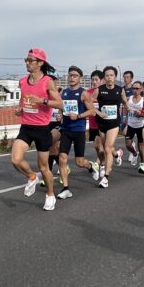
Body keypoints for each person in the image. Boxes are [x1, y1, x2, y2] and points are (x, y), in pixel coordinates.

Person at [12, 48, 64, 211]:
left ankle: (50, 195)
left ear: (40, 63)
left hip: (42, 129)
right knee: (15, 159)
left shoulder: (48, 81)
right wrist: (20, 109)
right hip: (26, 126)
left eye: (30, 60)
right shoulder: (22, 81)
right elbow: (24, 101)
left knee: (44, 167)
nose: (27, 63)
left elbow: (60, 103)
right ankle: (32, 176)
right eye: (26, 60)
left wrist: (42, 100)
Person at [56, 65, 99, 200]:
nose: (71, 77)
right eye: (70, 75)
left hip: (79, 130)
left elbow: (92, 111)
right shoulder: (63, 92)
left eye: (74, 75)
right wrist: (60, 115)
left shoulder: (84, 93)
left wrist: (79, 116)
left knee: (79, 162)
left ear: (80, 78)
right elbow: (61, 108)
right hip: (66, 130)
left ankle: (90, 166)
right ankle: (66, 189)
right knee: (62, 159)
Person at [93, 66, 129, 188]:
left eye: (111, 75)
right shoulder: (99, 90)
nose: (109, 77)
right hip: (102, 123)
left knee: (107, 148)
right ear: (104, 77)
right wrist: (98, 113)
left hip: (114, 124)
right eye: (107, 75)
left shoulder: (120, 90)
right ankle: (117, 154)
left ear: (115, 77)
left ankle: (106, 177)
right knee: (105, 147)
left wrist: (129, 109)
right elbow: (89, 104)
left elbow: (125, 103)